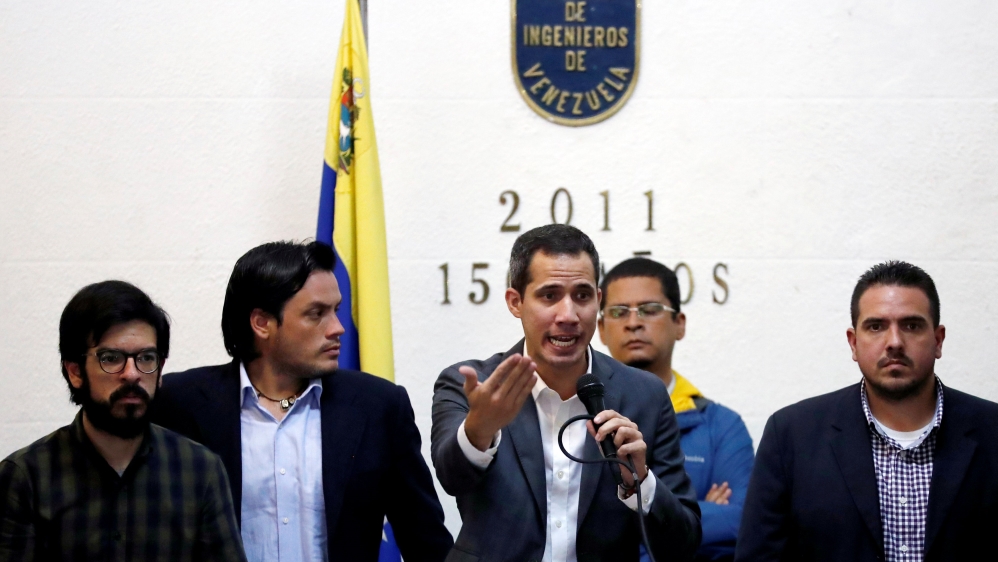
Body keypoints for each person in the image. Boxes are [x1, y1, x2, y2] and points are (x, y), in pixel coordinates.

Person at [152, 241, 452, 562]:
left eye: (336, 310)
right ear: (262, 323)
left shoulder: (378, 406)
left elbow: (426, 542)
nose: (338, 328)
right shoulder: (177, 402)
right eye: (316, 314)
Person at [431, 224, 701, 562]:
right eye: (549, 295)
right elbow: (451, 477)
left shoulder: (644, 395)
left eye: (583, 296)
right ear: (516, 302)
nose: (568, 315)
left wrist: (640, 482)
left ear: (598, 301)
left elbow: (683, 544)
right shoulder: (474, 384)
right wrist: (479, 429)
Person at [736, 261, 998, 562]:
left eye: (911, 326)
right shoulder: (792, 436)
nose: (895, 342)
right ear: (854, 342)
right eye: (876, 327)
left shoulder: (992, 432)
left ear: (938, 340)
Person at [0, 280, 246, 561]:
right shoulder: (26, 477)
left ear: (160, 369)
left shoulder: (200, 471)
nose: (132, 374)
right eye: (111, 358)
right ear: (75, 372)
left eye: (146, 357)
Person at [598, 258, 754, 561]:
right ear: (601, 329)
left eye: (650, 310)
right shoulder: (583, 419)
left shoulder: (722, 426)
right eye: (618, 312)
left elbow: (742, 522)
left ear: (679, 324)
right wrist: (689, 512)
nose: (633, 322)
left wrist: (635, 526)